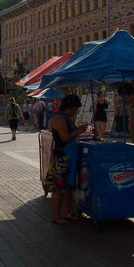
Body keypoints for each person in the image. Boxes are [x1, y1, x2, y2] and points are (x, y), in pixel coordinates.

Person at [44, 94, 88, 224]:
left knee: (67, 188)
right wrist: (79, 130)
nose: (75, 112)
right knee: (58, 188)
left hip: (69, 158)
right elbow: (64, 137)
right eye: (75, 109)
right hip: (62, 158)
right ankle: (55, 216)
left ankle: (66, 213)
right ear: (70, 107)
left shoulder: (67, 118)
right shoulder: (60, 119)